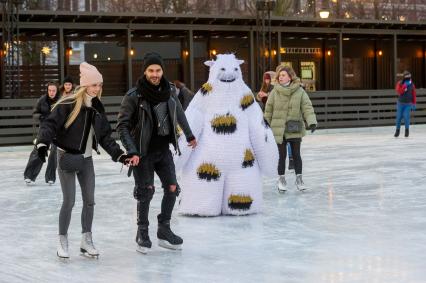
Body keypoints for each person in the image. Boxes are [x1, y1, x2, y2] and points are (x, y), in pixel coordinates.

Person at [36, 62, 132, 259]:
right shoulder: (68, 103)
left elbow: (105, 136)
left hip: (86, 160)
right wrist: (42, 144)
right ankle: (62, 239)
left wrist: (120, 155)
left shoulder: (97, 107)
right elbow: (49, 124)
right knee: (69, 201)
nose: (98, 89)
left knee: (90, 201)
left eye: (100, 85)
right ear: (85, 85)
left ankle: (86, 240)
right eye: (94, 85)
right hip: (67, 157)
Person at [117, 52, 197, 254]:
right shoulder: (134, 96)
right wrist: (131, 150)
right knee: (146, 191)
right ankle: (142, 232)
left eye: (158, 70)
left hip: (163, 150)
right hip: (142, 153)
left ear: (162, 71)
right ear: (145, 71)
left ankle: (164, 229)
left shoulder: (169, 90)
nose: (155, 74)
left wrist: (189, 135)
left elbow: (178, 112)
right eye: (151, 70)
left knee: (172, 188)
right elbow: (122, 126)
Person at [264, 65, 317, 192]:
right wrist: (265, 123)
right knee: (281, 156)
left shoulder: (300, 91)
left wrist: (312, 122)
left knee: (296, 155)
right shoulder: (274, 92)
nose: (280, 77)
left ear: (290, 77)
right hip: (279, 128)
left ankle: (299, 179)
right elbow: (268, 109)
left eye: (283, 75)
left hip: (294, 127)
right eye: (279, 76)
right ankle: (281, 179)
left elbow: (307, 107)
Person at [24, 82, 59, 185]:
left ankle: (50, 178)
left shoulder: (61, 101)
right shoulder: (42, 100)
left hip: (56, 130)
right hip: (44, 129)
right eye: (50, 90)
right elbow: (35, 113)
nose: (51, 92)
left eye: (53, 91)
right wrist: (41, 117)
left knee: (54, 153)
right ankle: (29, 175)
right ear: (47, 90)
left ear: (56, 91)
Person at [394, 70, 416, 138]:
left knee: (406, 117)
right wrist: (404, 86)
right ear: (404, 77)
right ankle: (397, 130)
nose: (408, 79)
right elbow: (399, 92)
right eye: (407, 77)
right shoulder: (400, 83)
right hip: (400, 104)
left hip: (408, 104)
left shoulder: (412, 84)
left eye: (409, 77)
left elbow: (413, 94)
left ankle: (407, 130)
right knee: (399, 118)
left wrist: (414, 103)